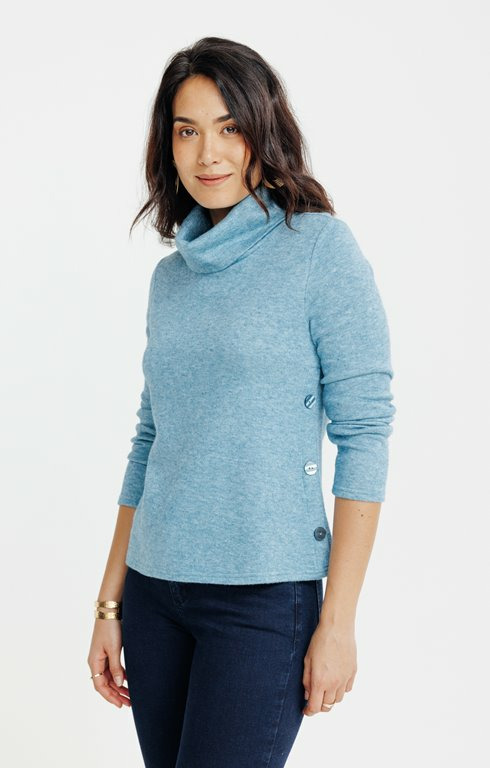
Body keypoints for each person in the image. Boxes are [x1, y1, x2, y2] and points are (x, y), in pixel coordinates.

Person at [87, 36, 396, 768]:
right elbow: (152, 437)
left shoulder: (319, 250)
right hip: (155, 597)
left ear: (264, 129)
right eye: (187, 131)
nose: (209, 154)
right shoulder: (172, 280)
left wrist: (338, 619)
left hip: (262, 602)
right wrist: (110, 602)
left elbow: (364, 433)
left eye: (229, 127)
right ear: (166, 145)